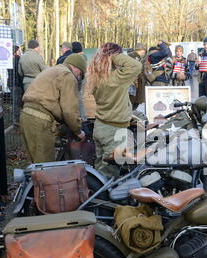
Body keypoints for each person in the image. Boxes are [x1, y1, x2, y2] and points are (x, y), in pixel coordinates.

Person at [87, 42, 141, 177]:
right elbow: (136, 65)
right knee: (110, 174)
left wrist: (105, 56)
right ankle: (104, 197)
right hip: (114, 131)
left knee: (100, 170)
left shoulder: (96, 77)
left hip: (100, 126)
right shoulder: (116, 78)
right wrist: (115, 56)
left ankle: (97, 196)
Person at [20, 54, 87, 163]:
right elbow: (69, 111)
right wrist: (78, 131)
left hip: (26, 116)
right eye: (80, 74)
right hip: (40, 121)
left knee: (35, 163)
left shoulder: (53, 70)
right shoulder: (68, 76)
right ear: (75, 67)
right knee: (45, 166)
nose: (79, 77)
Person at [7, 45, 24, 126]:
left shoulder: (9, 60)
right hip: (17, 84)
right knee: (16, 103)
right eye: (19, 50)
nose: (20, 51)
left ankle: (16, 119)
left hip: (10, 83)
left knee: (14, 102)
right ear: (16, 51)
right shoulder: (18, 60)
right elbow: (20, 74)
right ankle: (16, 120)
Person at [128, 43, 147, 110]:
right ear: (142, 50)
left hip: (136, 81)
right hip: (134, 82)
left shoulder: (132, 56)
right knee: (133, 100)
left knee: (133, 101)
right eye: (144, 50)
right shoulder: (135, 57)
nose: (144, 52)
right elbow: (135, 71)